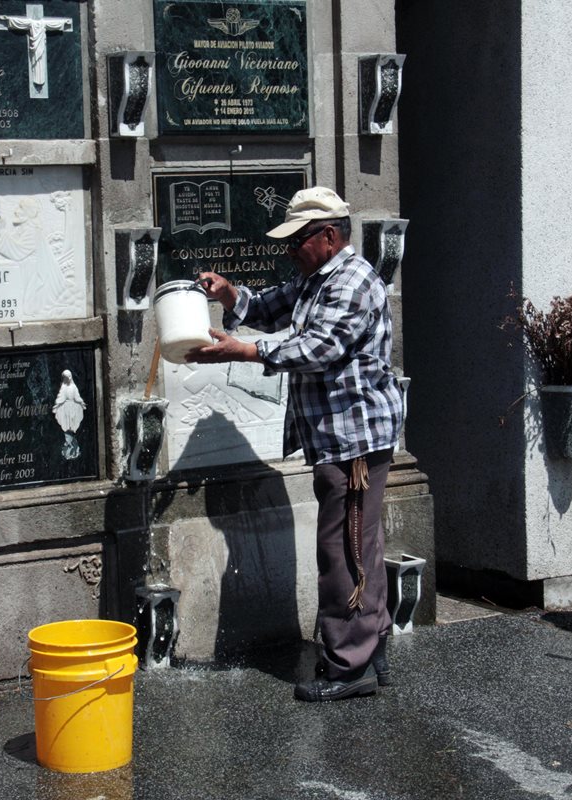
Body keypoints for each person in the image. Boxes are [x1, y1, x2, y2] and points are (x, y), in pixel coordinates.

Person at [185, 186, 403, 702]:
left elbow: (319, 347)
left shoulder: (352, 282)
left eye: (297, 240)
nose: (290, 250)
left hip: (355, 445)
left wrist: (245, 351)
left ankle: (350, 667)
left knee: (343, 553)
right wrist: (228, 294)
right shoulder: (315, 277)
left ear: (329, 236)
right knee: (360, 549)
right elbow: (266, 306)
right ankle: (373, 646)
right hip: (338, 440)